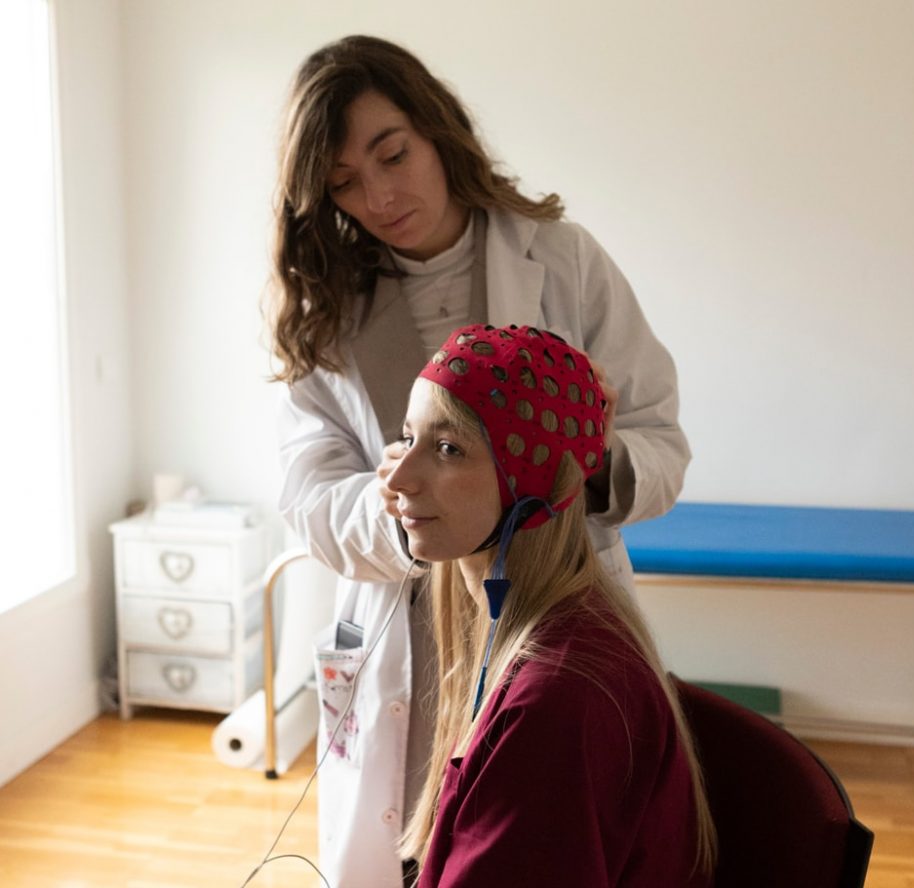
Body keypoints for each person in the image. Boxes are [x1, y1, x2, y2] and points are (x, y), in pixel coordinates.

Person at [271, 35, 691, 887]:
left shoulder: (561, 260)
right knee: (411, 846)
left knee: (538, 835)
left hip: (547, 616)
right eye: (344, 182)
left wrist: (574, 461)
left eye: (393, 154)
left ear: (437, 130)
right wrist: (412, 505)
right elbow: (306, 497)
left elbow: (661, 445)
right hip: (402, 633)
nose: (380, 196)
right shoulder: (325, 309)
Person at [391, 324, 714, 886]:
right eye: (407, 437)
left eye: (447, 449)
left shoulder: (555, 702)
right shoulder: (535, 632)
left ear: (539, 486)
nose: (399, 477)